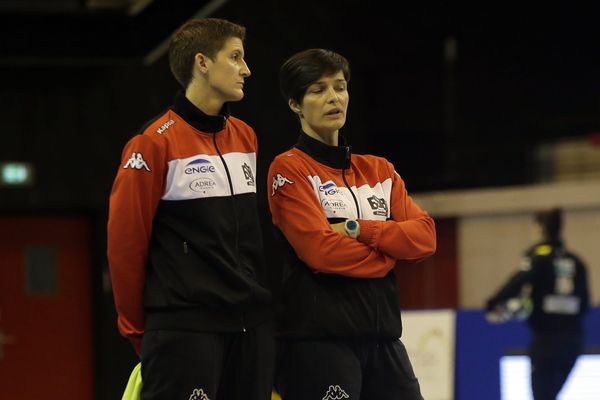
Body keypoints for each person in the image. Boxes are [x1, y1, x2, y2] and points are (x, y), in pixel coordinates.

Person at [107, 18, 274, 400]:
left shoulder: (246, 136)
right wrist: (138, 330)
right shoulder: (151, 144)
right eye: (235, 57)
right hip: (185, 330)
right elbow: (124, 245)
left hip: (251, 328)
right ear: (202, 62)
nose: (246, 69)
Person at [267, 48, 436, 400]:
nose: (334, 98)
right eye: (318, 90)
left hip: (384, 339)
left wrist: (363, 230)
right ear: (295, 104)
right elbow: (321, 251)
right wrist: (388, 254)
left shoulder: (379, 169)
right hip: (318, 345)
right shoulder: (288, 169)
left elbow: (424, 238)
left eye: (340, 87)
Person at [486, 207, 590, 400]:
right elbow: (584, 304)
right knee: (550, 395)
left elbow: (518, 281)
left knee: (542, 395)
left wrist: (493, 303)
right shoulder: (577, 262)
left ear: (540, 228)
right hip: (573, 342)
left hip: (546, 341)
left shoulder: (538, 257)